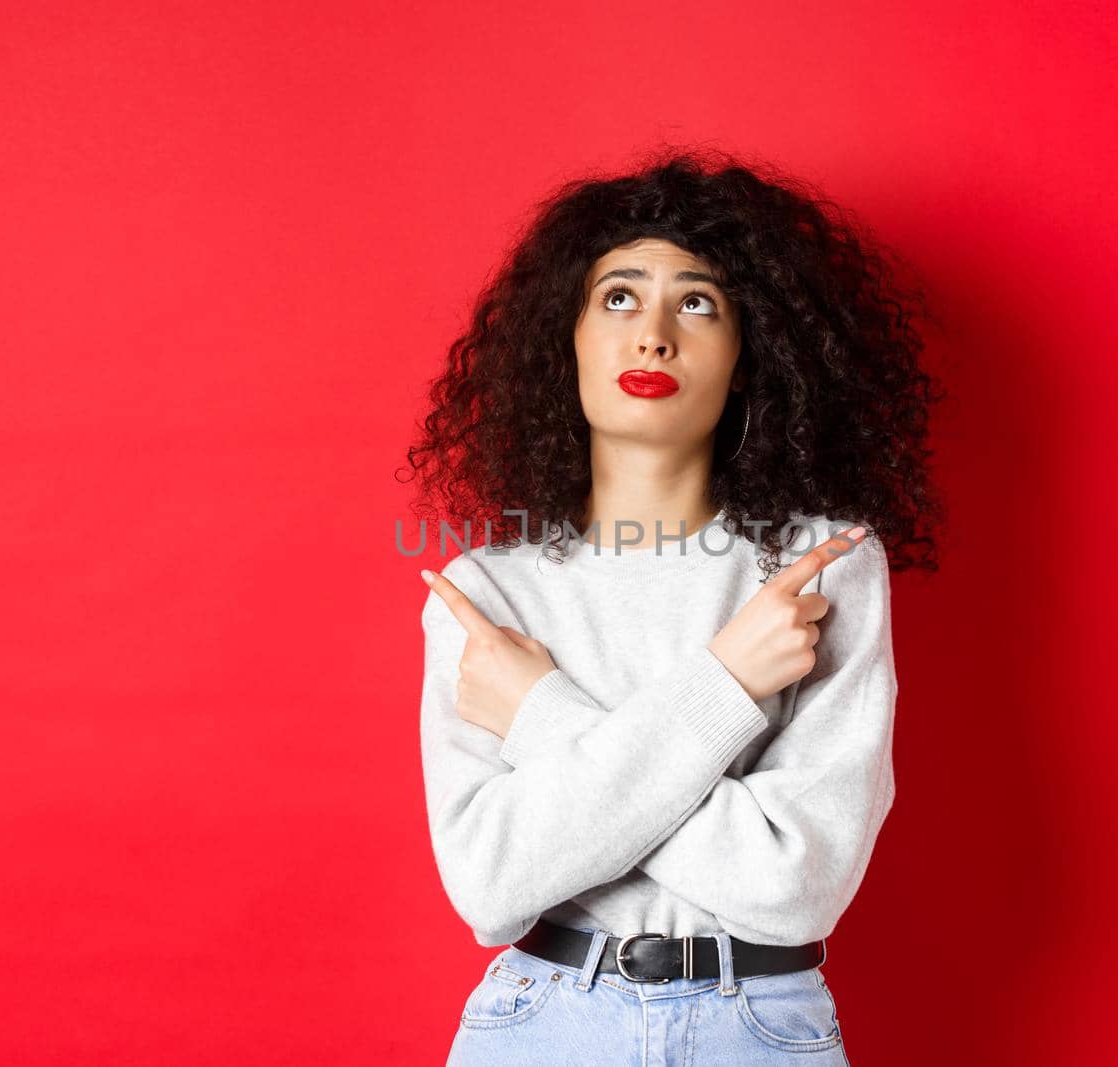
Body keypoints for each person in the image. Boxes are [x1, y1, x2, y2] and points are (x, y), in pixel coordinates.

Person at [402, 148, 945, 1065]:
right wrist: (728, 679)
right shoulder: (487, 593)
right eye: (618, 297)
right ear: (563, 338)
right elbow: (490, 885)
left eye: (697, 303)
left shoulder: (821, 567)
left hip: (761, 1024)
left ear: (750, 355)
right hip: (542, 1023)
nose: (653, 334)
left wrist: (541, 716)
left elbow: (794, 883)